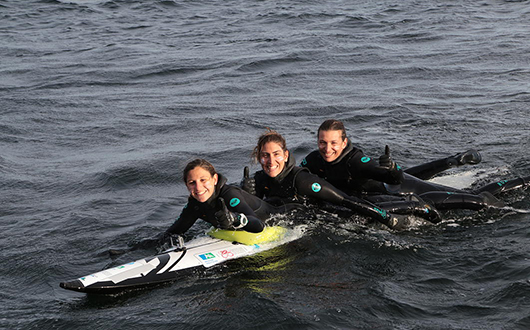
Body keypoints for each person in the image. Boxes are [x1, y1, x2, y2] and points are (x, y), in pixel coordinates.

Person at [300, 119, 529, 212]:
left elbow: (397, 179)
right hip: (379, 192)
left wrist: (391, 169)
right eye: (322, 142)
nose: (327, 148)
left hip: (402, 191)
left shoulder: (357, 161)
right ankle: (452, 161)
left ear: (344, 142)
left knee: (473, 196)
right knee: (414, 175)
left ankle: (524, 181)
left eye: (333, 143)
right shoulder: (313, 159)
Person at [241, 129, 437, 230]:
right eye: (265, 156)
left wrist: (389, 219)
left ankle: (414, 205)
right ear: (259, 158)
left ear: (285, 155)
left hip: (336, 214)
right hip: (298, 218)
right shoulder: (257, 180)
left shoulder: (301, 180)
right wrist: (246, 192)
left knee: (360, 217)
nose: (271, 161)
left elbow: (347, 201)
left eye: (276, 154)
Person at [159, 159, 299, 244]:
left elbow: (258, 226)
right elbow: (173, 232)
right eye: (192, 183)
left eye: (203, 180)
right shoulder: (195, 205)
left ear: (214, 180)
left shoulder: (229, 195)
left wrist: (234, 219)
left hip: (290, 216)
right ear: (186, 185)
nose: (198, 187)